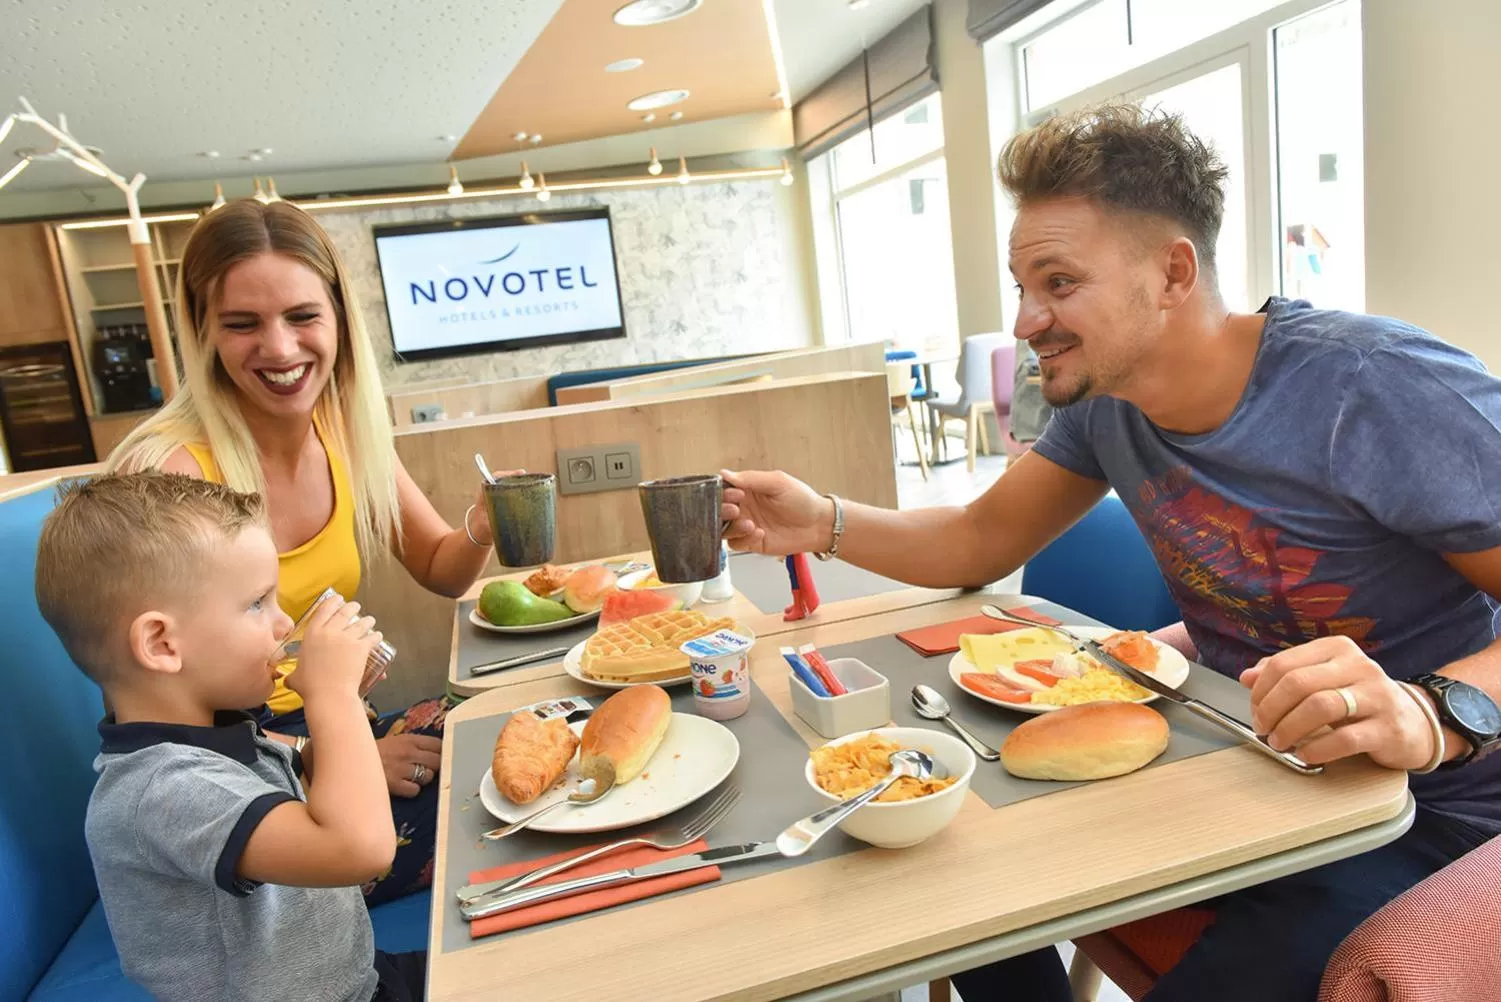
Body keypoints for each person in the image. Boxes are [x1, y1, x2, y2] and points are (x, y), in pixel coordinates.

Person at [721, 103, 1501, 1000]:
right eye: (1021, 287)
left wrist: (1433, 712)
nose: (1023, 320)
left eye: (1057, 283)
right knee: (938, 868)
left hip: (1431, 814)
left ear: (1172, 272)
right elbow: (979, 537)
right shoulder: (1107, 405)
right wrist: (821, 520)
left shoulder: (1371, 389)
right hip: (1240, 763)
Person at [110, 199, 515, 904]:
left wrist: (486, 521)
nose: (280, 348)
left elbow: (443, 571)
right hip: (241, 772)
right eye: (242, 323)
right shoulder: (167, 476)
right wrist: (324, 752)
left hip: (340, 724)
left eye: (301, 316)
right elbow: (156, 721)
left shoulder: (345, 433)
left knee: (509, 724)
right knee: (489, 816)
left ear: (337, 320)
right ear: (203, 332)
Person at [35, 471, 425, 1002]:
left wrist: (342, 704)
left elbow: (310, 781)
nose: (284, 623)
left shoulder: (219, 734)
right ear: (161, 643)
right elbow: (359, 848)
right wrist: (332, 698)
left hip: (355, 980)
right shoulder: (163, 789)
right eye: (256, 604)